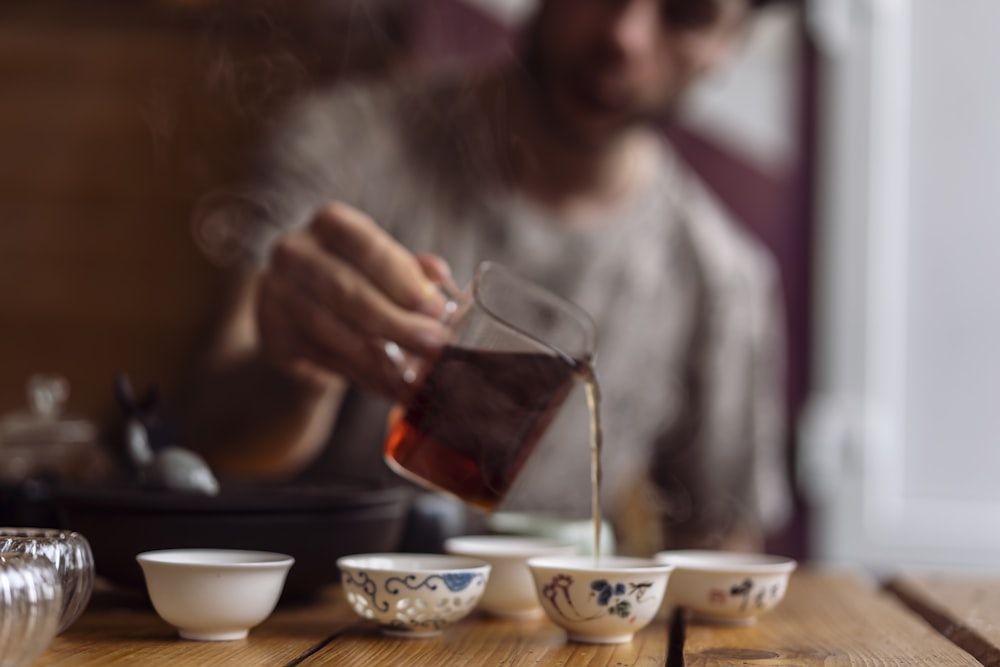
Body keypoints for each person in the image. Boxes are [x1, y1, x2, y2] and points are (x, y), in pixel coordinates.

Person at [187, 0, 792, 555]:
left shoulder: (721, 281)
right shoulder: (349, 146)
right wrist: (296, 371)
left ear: (733, 42)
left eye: (686, 14)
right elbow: (218, 444)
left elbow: (719, 549)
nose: (624, 36)